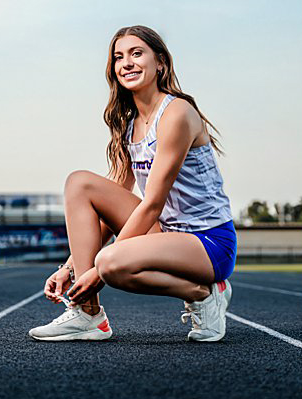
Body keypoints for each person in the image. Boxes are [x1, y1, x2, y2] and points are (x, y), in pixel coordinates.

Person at [29, 25, 236, 344]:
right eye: (118, 57)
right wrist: (69, 269)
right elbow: (113, 202)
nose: (126, 63)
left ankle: (204, 293)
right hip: (166, 234)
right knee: (80, 184)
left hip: (208, 243)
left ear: (160, 63)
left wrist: (97, 270)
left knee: (110, 264)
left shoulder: (177, 113)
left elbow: (152, 203)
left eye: (137, 53)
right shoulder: (128, 124)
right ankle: (87, 315)